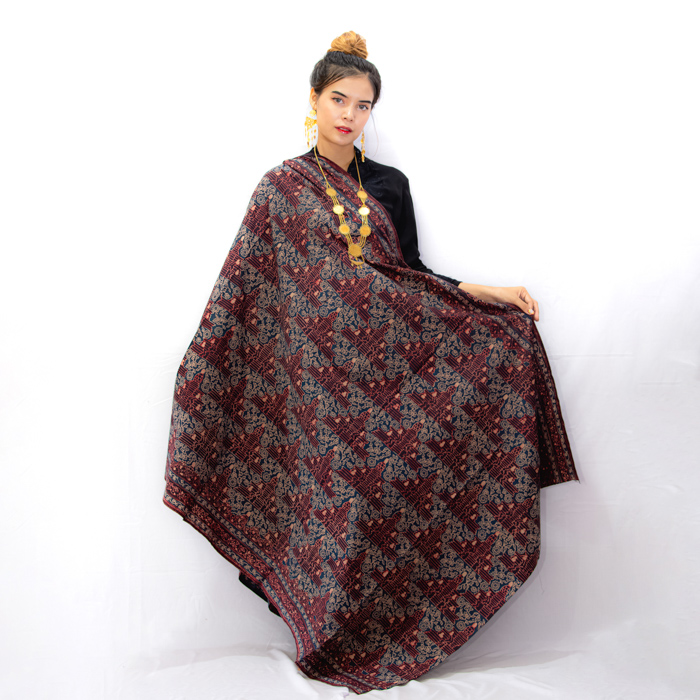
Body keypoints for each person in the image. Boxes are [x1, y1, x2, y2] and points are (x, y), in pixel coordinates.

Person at [164, 31, 578, 694]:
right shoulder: (279, 189)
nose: (349, 115)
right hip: (315, 385)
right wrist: (208, 363)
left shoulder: (389, 184)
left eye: (363, 105)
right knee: (329, 504)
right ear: (313, 99)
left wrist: (487, 292)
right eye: (339, 99)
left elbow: (409, 273)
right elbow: (248, 288)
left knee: (387, 493)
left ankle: (378, 631)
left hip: (385, 374)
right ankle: (319, 627)